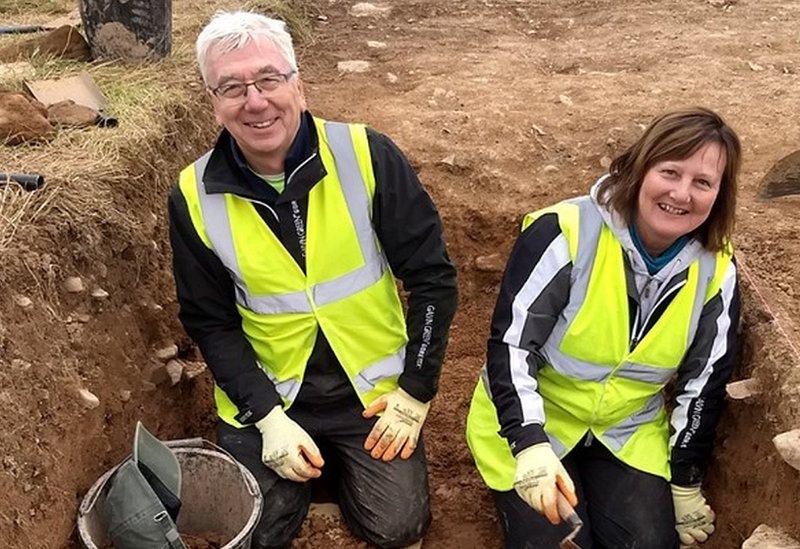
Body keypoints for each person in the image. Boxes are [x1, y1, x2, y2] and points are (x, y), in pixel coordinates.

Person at [168, 11, 457, 548]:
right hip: (272, 392)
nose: (254, 101)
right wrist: (267, 416)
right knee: (256, 531)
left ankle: (342, 472)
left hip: (369, 391)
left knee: (397, 527)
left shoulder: (366, 155)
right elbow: (210, 321)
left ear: (297, 82)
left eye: (268, 79)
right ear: (213, 99)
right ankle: (303, 469)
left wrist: (415, 392)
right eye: (232, 87)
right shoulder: (193, 193)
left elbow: (432, 279)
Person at [466, 107, 742, 548]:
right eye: (670, 172)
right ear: (640, 168)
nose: (681, 194)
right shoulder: (565, 232)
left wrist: (685, 479)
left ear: (719, 196)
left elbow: (704, 383)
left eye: (703, 183)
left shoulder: (716, 270)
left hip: (626, 432)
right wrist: (528, 444)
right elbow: (512, 347)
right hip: (540, 423)